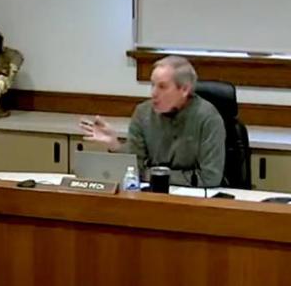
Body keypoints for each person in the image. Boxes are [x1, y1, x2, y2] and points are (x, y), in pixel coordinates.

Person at [79, 56, 226, 187]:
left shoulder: (208, 118)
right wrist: (116, 145)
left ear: (184, 89)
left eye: (162, 87)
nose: (153, 93)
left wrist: (152, 175)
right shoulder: (143, 113)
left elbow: (210, 178)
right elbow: (134, 170)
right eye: (152, 85)